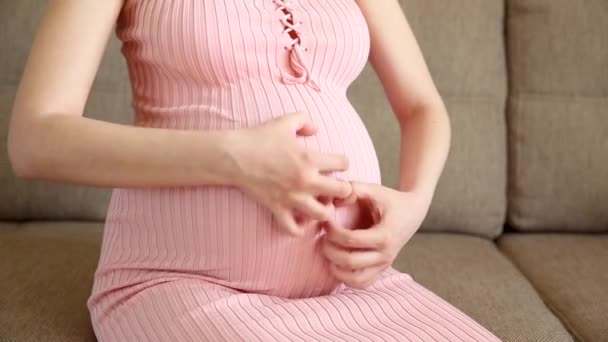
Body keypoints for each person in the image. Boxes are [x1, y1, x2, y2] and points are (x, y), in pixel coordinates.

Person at [8, 0, 501, 340]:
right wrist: (235, 159)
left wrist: (413, 205)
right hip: (180, 284)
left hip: (350, 289)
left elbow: (422, 106)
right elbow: (35, 140)